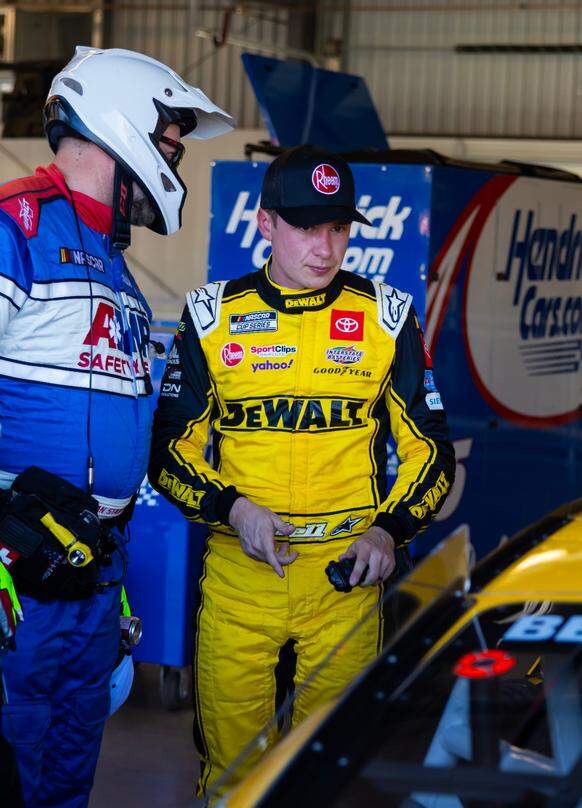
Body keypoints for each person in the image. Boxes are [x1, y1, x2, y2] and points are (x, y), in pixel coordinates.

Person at [149, 145, 456, 797]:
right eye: (307, 227)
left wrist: (387, 532)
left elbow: (431, 451)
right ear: (265, 224)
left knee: (334, 773)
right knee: (231, 777)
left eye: (339, 228)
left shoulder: (387, 315)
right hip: (240, 574)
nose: (326, 246)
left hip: (344, 579)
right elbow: (168, 452)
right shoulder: (210, 317)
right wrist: (233, 508)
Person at [0, 46, 233, 806]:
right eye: (171, 139)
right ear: (122, 125)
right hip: (17, 584)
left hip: (93, 579)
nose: (176, 157)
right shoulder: (17, 229)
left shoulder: (114, 264)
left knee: (68, 774)